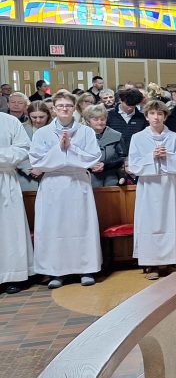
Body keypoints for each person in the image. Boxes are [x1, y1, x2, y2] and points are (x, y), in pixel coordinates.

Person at [29, 92, 103, 288]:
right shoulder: (42, 133)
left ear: (74, 108)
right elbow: (37, 161)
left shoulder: (86, 132)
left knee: (81, 226)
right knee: (54, 227)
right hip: (53, 184)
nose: (64, 109)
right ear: (53, 109)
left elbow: (93, 157)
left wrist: (71, 148)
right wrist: (59, 149)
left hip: (78, 182)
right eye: (60, 105)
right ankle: (56, 271)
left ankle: (85, 269)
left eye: (68, 106)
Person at [128, 100, 176, 280]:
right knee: (149, 223)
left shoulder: (175, 138)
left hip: (169, 185)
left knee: (172, 221)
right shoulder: (138, 138)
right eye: (152, 113)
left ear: (165, 117)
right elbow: (133, 165)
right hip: (148, 186)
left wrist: (168, 156)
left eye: (159, 114)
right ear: (146, 116)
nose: (156, 117)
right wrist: (151, 156)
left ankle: (173, 260)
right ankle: (152, 263)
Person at [0, 111, 32, 294]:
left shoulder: (9, 121)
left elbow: (23, 149)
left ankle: (13, 275)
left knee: (9, 228)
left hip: (5, 180)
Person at [83, 104, 123, 187]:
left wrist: (105, 164)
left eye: (102, 119)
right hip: (88, 176)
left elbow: (122, 157)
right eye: (95, 119)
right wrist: (90, 166)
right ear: (88, 121)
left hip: (111, 176)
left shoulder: (116, 135)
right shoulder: (81, 136)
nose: (100, 122)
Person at [17, 101, 52, 191]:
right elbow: (18, 152)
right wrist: (31, 169)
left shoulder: (56, 129)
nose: (38, 120)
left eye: (41, 117)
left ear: (48, 115)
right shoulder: (21, 129)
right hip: (27, 177)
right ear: (29, 116)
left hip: (52, 176)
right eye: (34, 117)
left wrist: (44, 168)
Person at [107, 88, 147, 157]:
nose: (130, 108)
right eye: (127, 104)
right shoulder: (109, 115)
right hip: (113, 156)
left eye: (133, 105)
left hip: (136, 155)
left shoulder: (142, 118)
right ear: (121, 100)